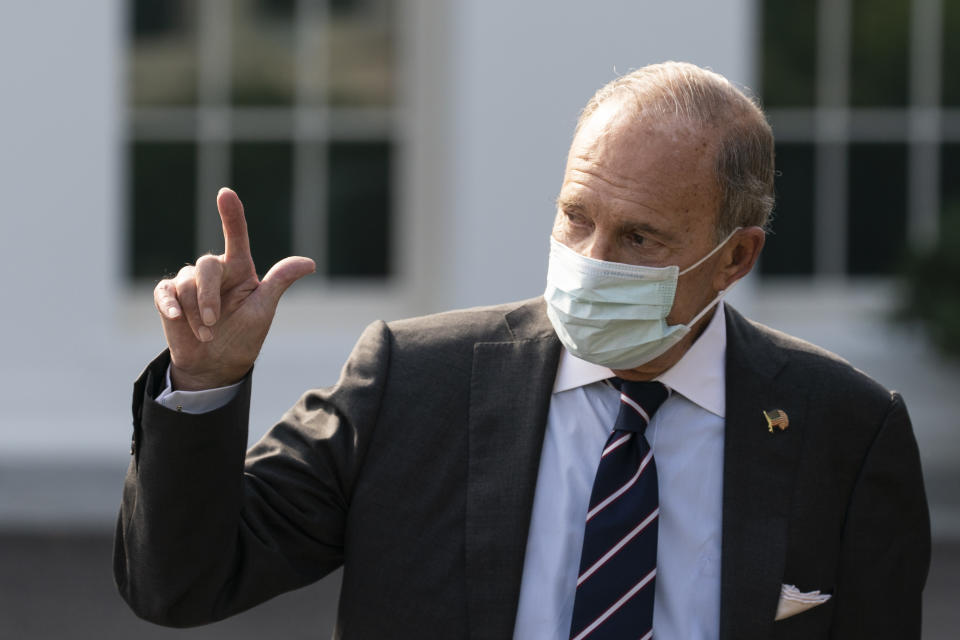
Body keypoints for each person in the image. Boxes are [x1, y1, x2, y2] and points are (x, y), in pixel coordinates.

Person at [114, 62, 930, 639]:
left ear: (735, 258)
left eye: (639, 236)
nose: (592, 258)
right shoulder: (414, 381)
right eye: (577, 216)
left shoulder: (846, 432)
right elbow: (181, 586)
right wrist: (205, 383)